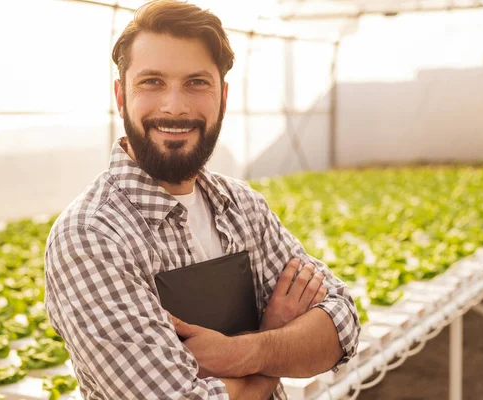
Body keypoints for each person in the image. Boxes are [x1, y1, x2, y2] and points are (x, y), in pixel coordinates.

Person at [44, 1, 360, 399]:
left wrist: (238, 353)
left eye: (196, 82)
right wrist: (274, 345)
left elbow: (342, 324)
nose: (174, 106)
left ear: (223, 98)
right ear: (120, 97)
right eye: (152, 82)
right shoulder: (91, 237)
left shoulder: (243, 206)